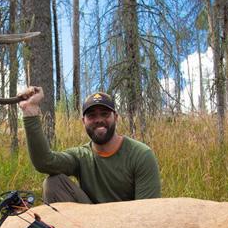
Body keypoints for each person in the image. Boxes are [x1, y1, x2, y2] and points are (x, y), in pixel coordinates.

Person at [17, 86, 161, 204]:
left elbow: (147, 212)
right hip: (89, 227)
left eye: (105, 114)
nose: (98, 120)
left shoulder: (141, 154)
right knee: (53, 183)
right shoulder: (81, 156)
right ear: (83, 121)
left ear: (115, 117)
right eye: (91, 116)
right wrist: (30, 111)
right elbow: (45, 162)